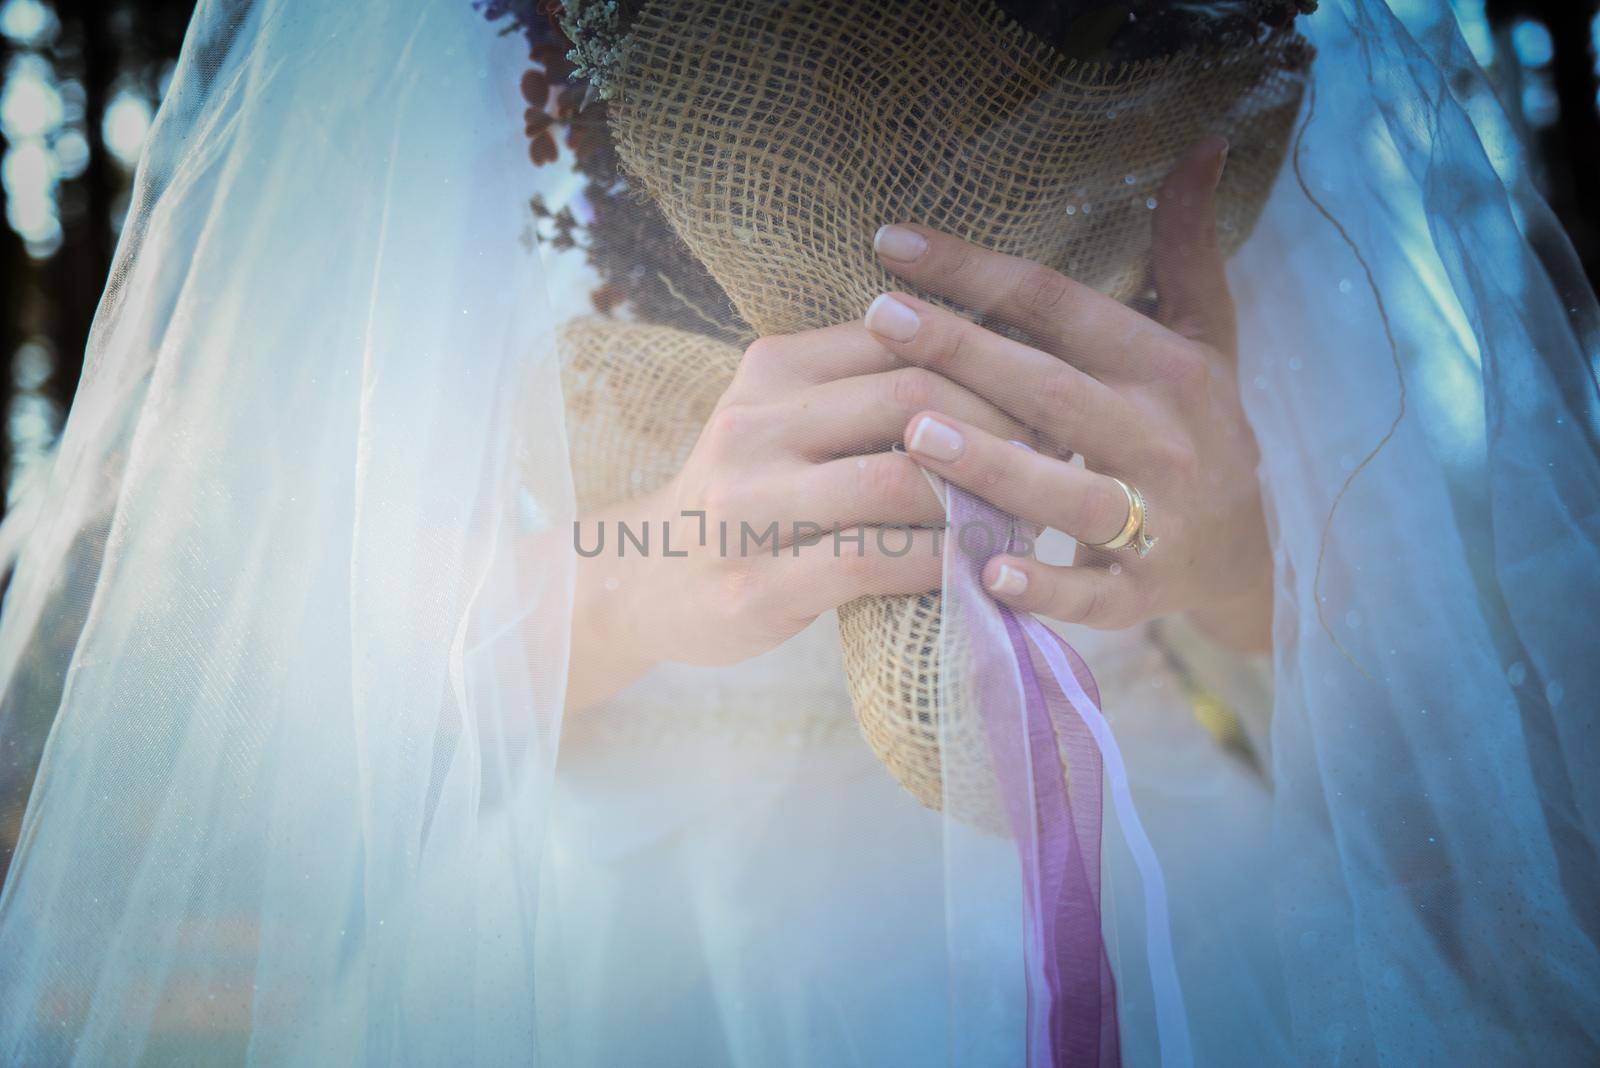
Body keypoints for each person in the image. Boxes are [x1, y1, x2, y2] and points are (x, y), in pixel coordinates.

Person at [0, 0, 1595, 1064]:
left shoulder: (1194, 53)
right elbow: (285, 662)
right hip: (627, 943)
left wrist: (1230, 550)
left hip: (1173, 891)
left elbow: (1397, 667)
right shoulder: (441, 47)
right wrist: (637, 572)